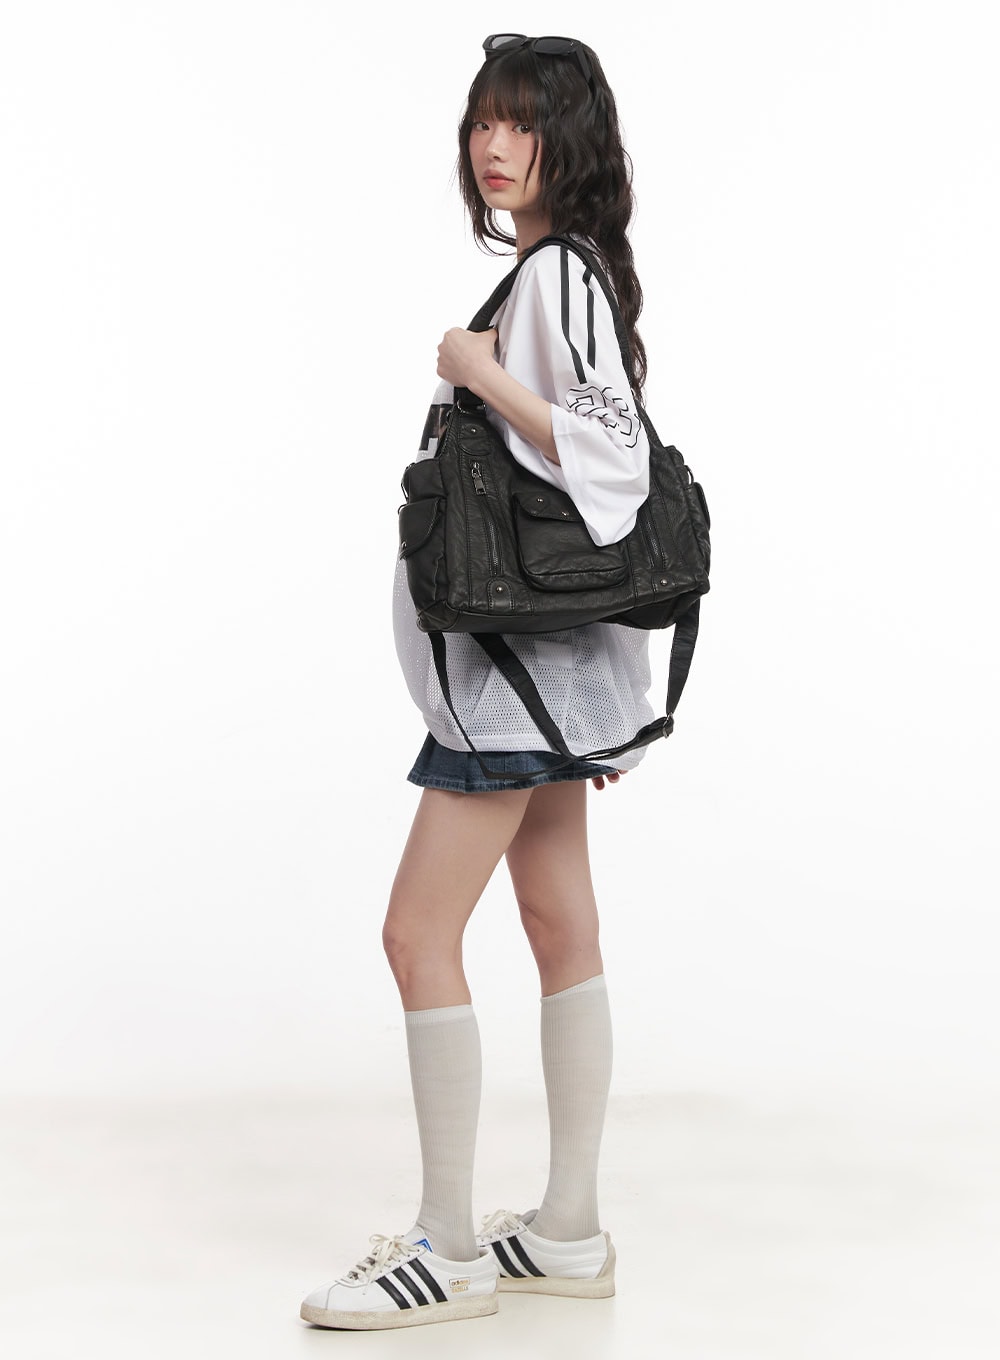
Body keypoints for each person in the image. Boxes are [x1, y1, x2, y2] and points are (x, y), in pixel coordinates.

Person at [301, 33, 656, 1332]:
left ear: (572, 139)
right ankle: (567, 1231)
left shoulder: (553, 279)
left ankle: (448, 1247)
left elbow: (610, 471)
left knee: (417, 934)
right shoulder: (565, 271)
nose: (494, 147)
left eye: (522, 122)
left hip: (510, 683)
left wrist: (475, 370)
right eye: (482, 122)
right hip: (542, 673)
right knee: (561, 927)